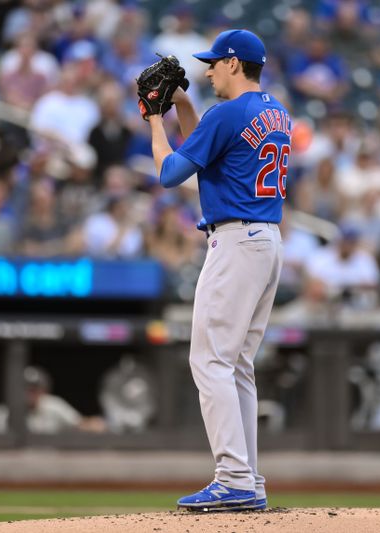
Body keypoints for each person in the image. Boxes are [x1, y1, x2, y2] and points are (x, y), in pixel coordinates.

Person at [142, 29, 286, 512]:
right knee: (237, 365)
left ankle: (234, 478)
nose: (206, 70)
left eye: (213, 63)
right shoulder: (273, 110)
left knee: (210, 362)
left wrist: (153, 119)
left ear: (233, 63)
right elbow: (208, 147)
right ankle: (249, 479)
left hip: (236, 242)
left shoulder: (228, 113)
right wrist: (181, 102)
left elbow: (170, 174)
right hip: (265, 240)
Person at [0, 366, 106, 434]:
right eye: (25, 389)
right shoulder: (4, 410)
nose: (29, 394)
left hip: (50, 461)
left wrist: (95, 424)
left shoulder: (53, 405)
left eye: (34, 389)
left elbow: (79, 423)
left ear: (43, 391)